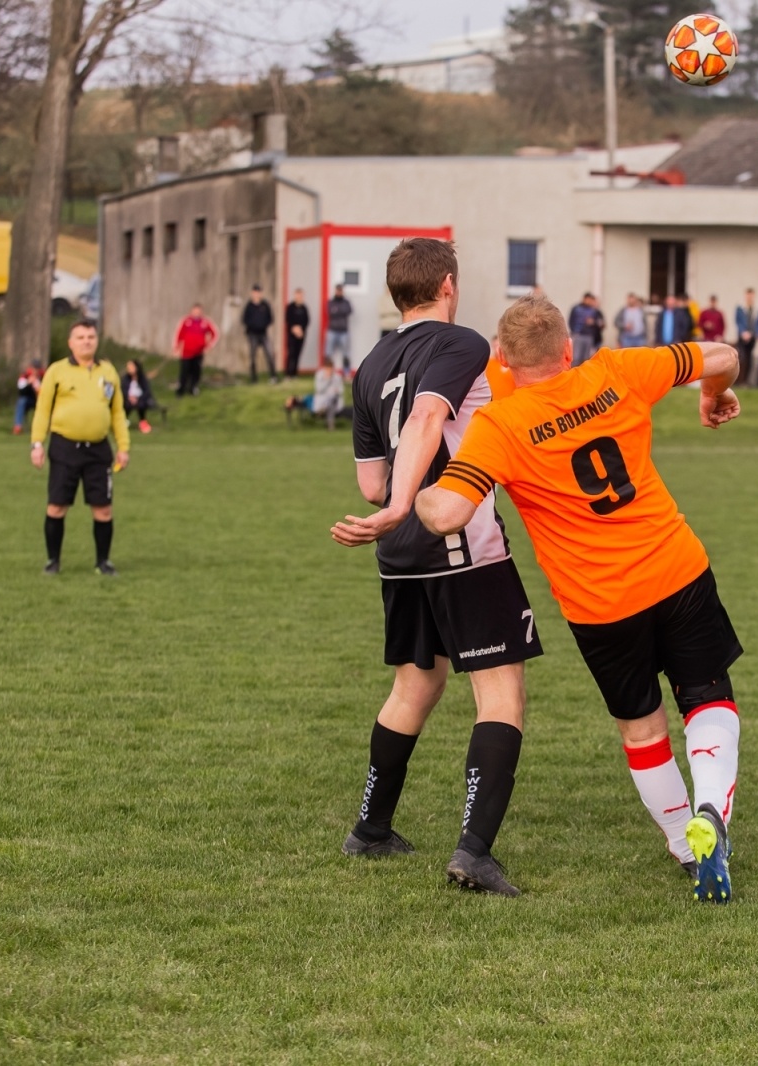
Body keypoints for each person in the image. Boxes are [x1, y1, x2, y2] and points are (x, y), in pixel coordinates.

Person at [417, 295, 746, 904]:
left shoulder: (502, 423)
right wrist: (711, 395)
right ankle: (710, 812)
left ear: (506, 364)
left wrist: (415, 490)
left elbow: (448, 512)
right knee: (707, 697)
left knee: (641, 726)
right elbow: (723, 355)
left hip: (600, 604)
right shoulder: (617, 370)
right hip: (676, 567)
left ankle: (683, 841)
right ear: (570, 348)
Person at [329, 238, 542, 898]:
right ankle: (474, 852)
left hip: (400, 557)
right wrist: (403, 506)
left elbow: (369, 482)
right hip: (456, 540)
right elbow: (426, 416)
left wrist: (389, 508)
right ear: (447, 284)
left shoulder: (368, 365)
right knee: (500, 691)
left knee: (415, 686)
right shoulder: (459, 343)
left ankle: (370, 828)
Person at [30, 319, 130, 576]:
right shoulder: (57, 371)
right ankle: (53, 561)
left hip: (98, 450)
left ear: (96, 341)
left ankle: (103, 562)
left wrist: (123, 446)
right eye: (81, 337)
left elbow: (117, 412)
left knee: (103, 508)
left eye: (91, 337)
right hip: (65, 447)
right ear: (70, 342)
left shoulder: (108, 372)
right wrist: (37, 443)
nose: (86, 341)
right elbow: (43, 410)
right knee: (56, 506)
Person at [172, 303, 218, 397]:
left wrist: (209, 346)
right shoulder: (185, 321)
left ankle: (193, 388)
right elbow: (179, 334)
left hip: (198, 352)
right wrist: (176, 347)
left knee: (196, 372)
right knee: (184, 372)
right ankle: (181, 390)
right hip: (186, 352)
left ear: (201, 312)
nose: (196, 313)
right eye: (195, 311)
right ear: (191, 311)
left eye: (198, 311)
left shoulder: (205, 322)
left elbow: (215, 333)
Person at [241, 284, 278, 383]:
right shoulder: (249, 306)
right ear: (252, 293)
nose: (257, 294)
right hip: (252, 334)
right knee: (252, 356)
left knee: (270, 354)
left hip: (263, 334)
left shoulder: (265, 305)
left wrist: (263, 325)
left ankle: (273, 376)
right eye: (255, 292)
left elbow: (270, 318)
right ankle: (253, 378)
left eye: (259, 292)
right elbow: (244, 319)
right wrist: (253, 326)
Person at [568, 293, 605, 367]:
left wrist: (593, 322)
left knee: (586, 358)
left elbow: (600, 323)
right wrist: (574, 332)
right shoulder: (576, 309)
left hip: (589, 336)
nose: (589, 302)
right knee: (576, 357)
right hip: (578, 335)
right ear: (584, 299)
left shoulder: (594, 311)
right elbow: (571, 320)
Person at [325, 283, 354, 375]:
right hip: (332, 330)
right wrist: (340, 311)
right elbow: (331, 312)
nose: (339, 292)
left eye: (341, 290)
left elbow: (348, 311)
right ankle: (327, 372)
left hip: (343, 331)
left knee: (346, 353)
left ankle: (346, 372)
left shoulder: (346, 302)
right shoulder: (331, 302)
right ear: (335, 290)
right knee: (328, 353)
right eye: (338, 290)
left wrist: (337, 310)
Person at [310, 356, 345, 430]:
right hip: (322, 398)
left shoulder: (337, 376)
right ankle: (331, 425)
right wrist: (327, 380)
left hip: (334, 399)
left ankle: (325, 411)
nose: (330, 370)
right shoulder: (319, 375)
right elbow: (319, 389)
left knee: (332, 399)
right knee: (330, 402)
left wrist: (337, 391)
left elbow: (341, 390)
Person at [734, 288, 758, 388]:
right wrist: (743, 333)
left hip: (752, 337)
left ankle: (747, 381)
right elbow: (738, 321)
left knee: (749, 358)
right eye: (748, 295)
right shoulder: (740, 308)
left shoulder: (756, 309)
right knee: (742, 358)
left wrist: (753, 334)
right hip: (742, 337)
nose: (750, 297)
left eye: (751, 295)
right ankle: (739, 380)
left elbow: (757, 323)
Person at [121, 359, 155, 433]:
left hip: (140, 398)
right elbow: (123, 390)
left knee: (141, 404)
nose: (129, 369)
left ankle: (143, 422)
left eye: (131, 367)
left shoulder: (142, 378)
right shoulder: (126, 379)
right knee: (126, 404)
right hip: (129, 399)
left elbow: (147, 391)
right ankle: (124, 420)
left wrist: (138, 398)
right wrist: (130, 397)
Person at [284, 288, 310, 378]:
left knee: (297, 354)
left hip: (301, 335)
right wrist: (294, 329)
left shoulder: (304, 308)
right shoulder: (290, 307)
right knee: (291, 353)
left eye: (301, 295)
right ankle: (288, 373)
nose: (299, 297)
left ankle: (295, 373)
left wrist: (301, 330)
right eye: (297, 295)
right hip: (292, 335)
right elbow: (288, 320)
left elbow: (307, 321)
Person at [13, 360, 42, 435]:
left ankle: (41, 427)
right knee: (21, 401)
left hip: (38, 400)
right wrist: (28, 383)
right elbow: (21, 392)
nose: (36, 371)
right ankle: (18, 426)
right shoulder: (24, 376)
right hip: (27, 400)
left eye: (37, 369)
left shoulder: (42, 376)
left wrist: (37, 386)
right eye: (34, 368)